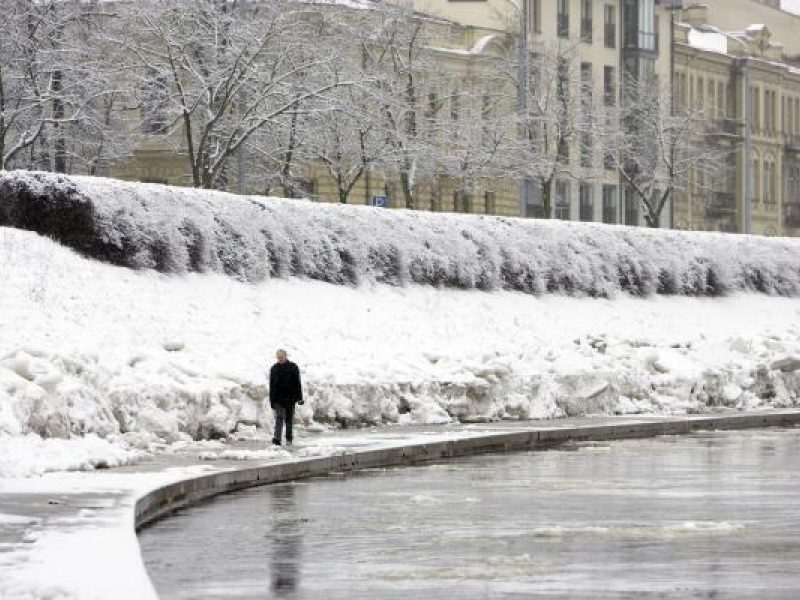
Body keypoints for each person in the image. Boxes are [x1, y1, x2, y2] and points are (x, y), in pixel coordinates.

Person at [269, 349, 303, 446]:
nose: (279, 359)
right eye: (278, 357)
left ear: (285, 356)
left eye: (281, 357)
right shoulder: (274, 369)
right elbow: (271, 385)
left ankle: (289, 438)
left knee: (288, 419)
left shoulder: (293, 367)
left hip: (290, 398)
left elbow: (298, 383)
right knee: (279, 418)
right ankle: (277, 438)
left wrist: (300, 397)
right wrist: (271, 400)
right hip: (278, 398)